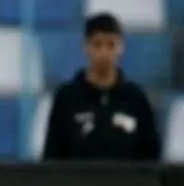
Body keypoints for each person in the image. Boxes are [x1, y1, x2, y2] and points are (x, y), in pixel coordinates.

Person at [42, 13, 161, 162]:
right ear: (86, 47)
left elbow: (152, 158)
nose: (104, 53)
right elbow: (52, 157)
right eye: (97, 44)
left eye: (111, 45)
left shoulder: (136, 99)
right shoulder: (66, 98)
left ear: (121, 47)